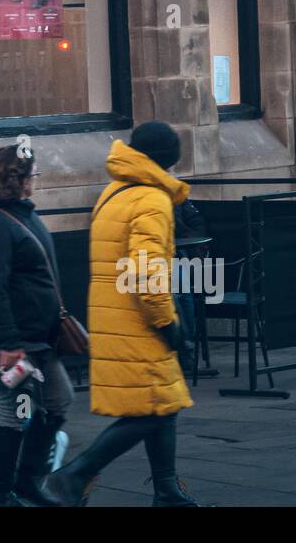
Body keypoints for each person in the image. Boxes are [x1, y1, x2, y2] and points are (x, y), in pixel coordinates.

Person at [45, 121, 202, 507]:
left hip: (114, 318)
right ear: (169, 160)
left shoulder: (114, 191)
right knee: (155, 409)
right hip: (140, 322)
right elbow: (146, 271)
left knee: (162, 404)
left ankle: (167, 490)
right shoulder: (152, 199)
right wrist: (167, 322)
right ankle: (75, 474)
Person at [0, 145, 72, 507]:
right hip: (13, 340)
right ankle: (0, 490)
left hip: (39, 338)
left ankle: (26, 481)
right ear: (21, 180)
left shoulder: (23, 216)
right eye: (32, 176)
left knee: (57, 401)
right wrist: (9, 343)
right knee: (13, 413)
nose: (34, 183)